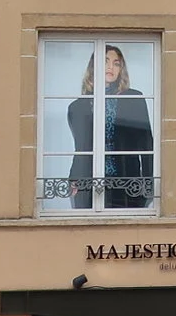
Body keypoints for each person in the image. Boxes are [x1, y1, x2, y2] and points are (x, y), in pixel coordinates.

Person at [66, 45, 153, 209]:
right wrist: (73, 180)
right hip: (89, 186)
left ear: (121, 69)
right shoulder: (77, 107)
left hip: (128, 184)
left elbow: (147, 144)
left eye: (116, 63)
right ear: (94, 66)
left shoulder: (134, 98)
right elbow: (81, 150)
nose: (110, 67)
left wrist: (149, 184)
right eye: (105, 61)